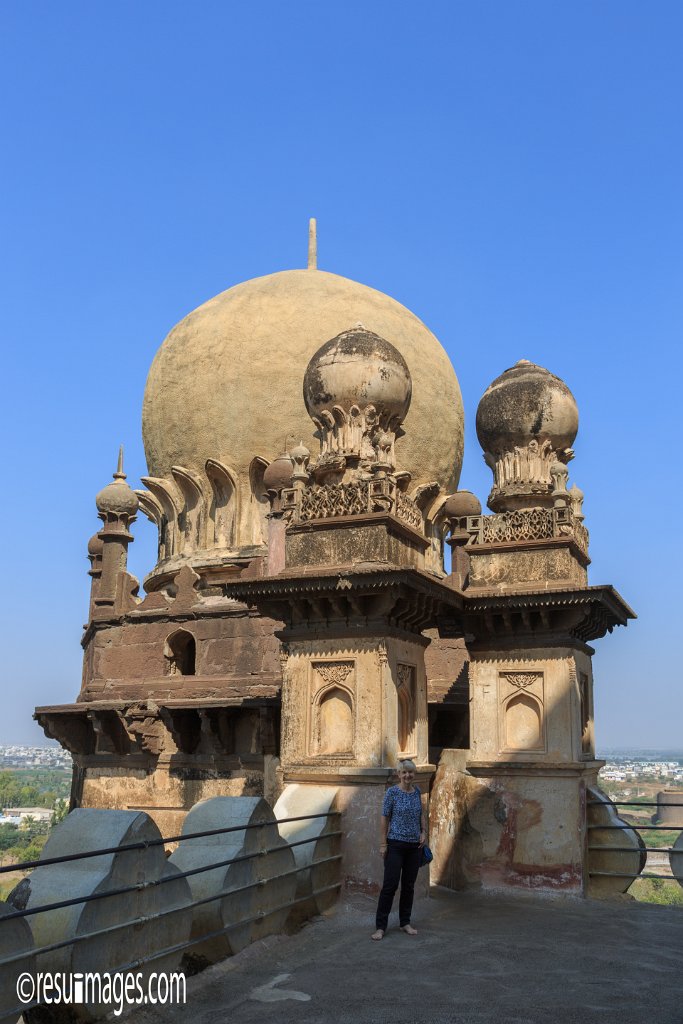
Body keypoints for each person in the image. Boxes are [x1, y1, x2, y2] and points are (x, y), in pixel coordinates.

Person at [371, 758, 426, 940]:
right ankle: (380, 927)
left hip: (414, 847)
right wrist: (383, 844)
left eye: (410, 772)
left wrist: (424, 832)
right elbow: (384, 819)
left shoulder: (417, 791)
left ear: (414, 774)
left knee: (408, 886)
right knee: (390, 885)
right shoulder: (392, 793)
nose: (407, 775)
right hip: (395, 845)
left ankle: (405, 922)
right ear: (399, 774)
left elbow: (421, 813)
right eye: (404, 772)